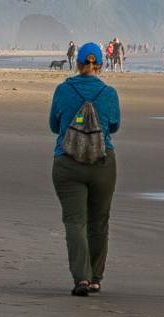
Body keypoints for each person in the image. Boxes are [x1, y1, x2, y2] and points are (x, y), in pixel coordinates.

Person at [48, 43, 121, 296]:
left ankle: (81, 277)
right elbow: (114, 127)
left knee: (74, 222)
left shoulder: (63, 90)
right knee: (99, 221)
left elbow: (54, 125)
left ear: (77, 63)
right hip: (102, 162)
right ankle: (96, 277)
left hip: (67, 162)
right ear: (100, 65)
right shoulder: (109, 93)